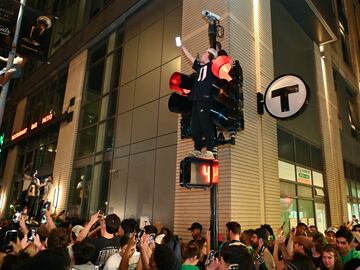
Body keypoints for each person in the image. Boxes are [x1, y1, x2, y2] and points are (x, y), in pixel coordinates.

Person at [181, 44, 218, 160]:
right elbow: (191, 58)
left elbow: (221, 63)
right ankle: (197, 149)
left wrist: (215, 52)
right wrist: (183, 47)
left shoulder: (212, 66)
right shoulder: (200, 67)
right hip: (196, 99)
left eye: (205, 52)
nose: (202, 54)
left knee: (205, 123)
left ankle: (210, 150)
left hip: (205, 98)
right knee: (195, 125)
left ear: (210, 56)